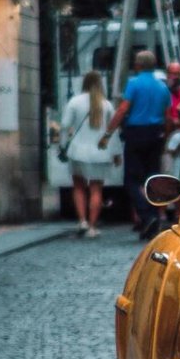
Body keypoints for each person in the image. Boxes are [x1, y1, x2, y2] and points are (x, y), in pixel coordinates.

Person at [103, 49, 172, 241]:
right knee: (152, 178)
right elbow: (168, 116)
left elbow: (124, 108)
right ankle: (153, 217)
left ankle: (147, 214)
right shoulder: (162, 87)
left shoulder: (134, 83)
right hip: (156, 133)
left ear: (138, 65)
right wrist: (164, 136)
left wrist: (108, 131)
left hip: (136, 133)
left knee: (131, 179)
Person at [55, 68, 110, 235]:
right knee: (96, 189)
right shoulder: (106, 104)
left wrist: (63, 145)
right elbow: (111, 130)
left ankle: (82, 221)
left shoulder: (74, 102)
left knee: (78, 186)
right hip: (99, 152)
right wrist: (116, 154)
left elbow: (64, 126)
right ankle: (93, 226)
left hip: (77, 151)